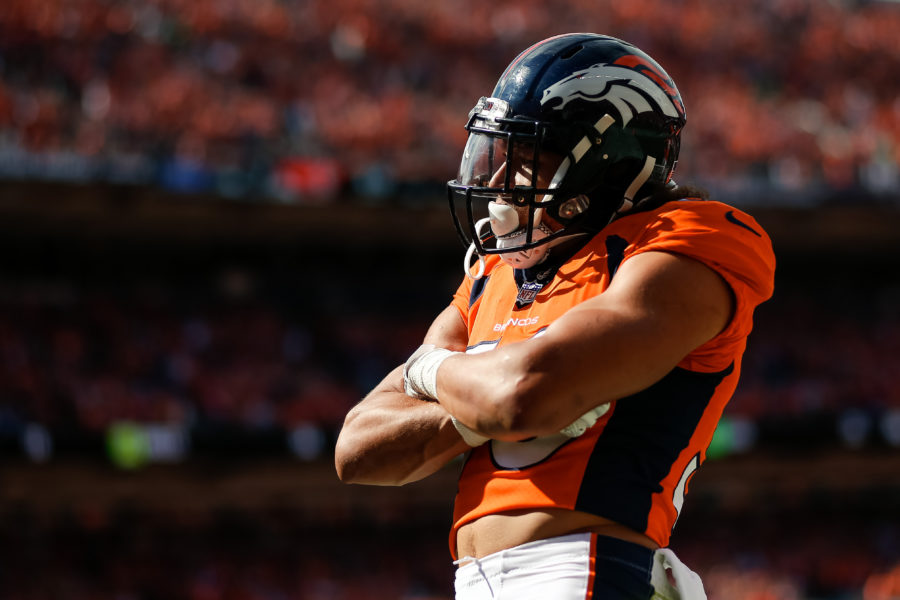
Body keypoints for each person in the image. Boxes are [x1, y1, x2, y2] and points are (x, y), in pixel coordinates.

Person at [335, 33, 775, 600]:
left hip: (579, 567)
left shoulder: (692, 239)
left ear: (606, 165)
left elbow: (522, 395)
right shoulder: (493, 274)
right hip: (474, 581)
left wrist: (438, 372)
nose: (498, 185)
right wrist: (471, 410)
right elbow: (358, 448)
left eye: (524, 163)